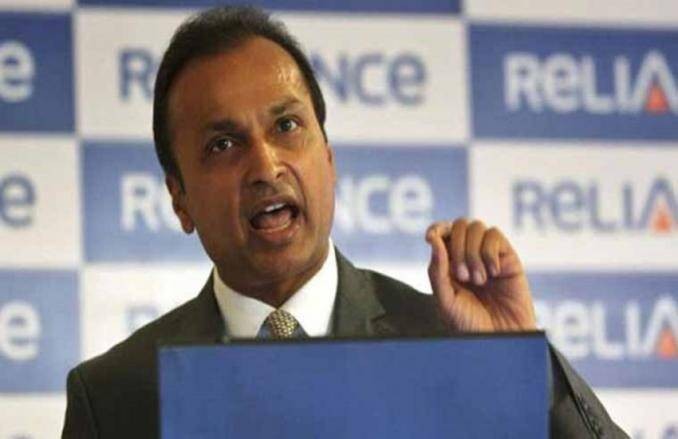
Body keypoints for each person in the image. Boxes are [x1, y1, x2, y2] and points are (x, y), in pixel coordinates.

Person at [62, 6, 628, 438]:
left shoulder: (448, 345)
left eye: (287, 126)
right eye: (223, 144)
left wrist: (521, 366)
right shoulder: (115, 397)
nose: (265, 165)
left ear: (328, 157)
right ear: (180, 199)